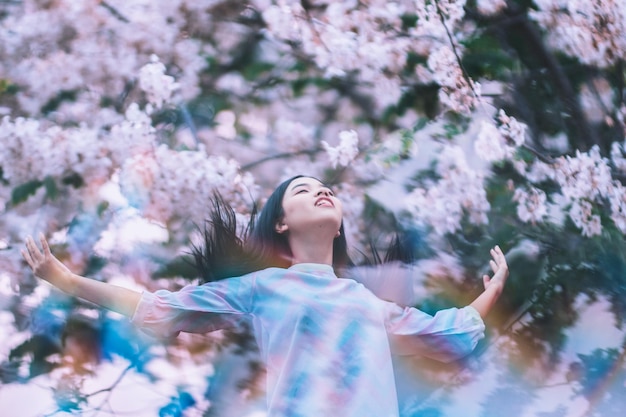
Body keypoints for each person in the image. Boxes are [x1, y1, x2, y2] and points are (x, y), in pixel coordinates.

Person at [22, 175, 509, 417]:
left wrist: (493, 290)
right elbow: (159, 308)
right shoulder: (262, 286)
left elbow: (451, 333)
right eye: (303, 190)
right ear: (281, 222)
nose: (321, 192)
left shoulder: (366, 302)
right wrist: (68, 282)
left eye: (326, 189)